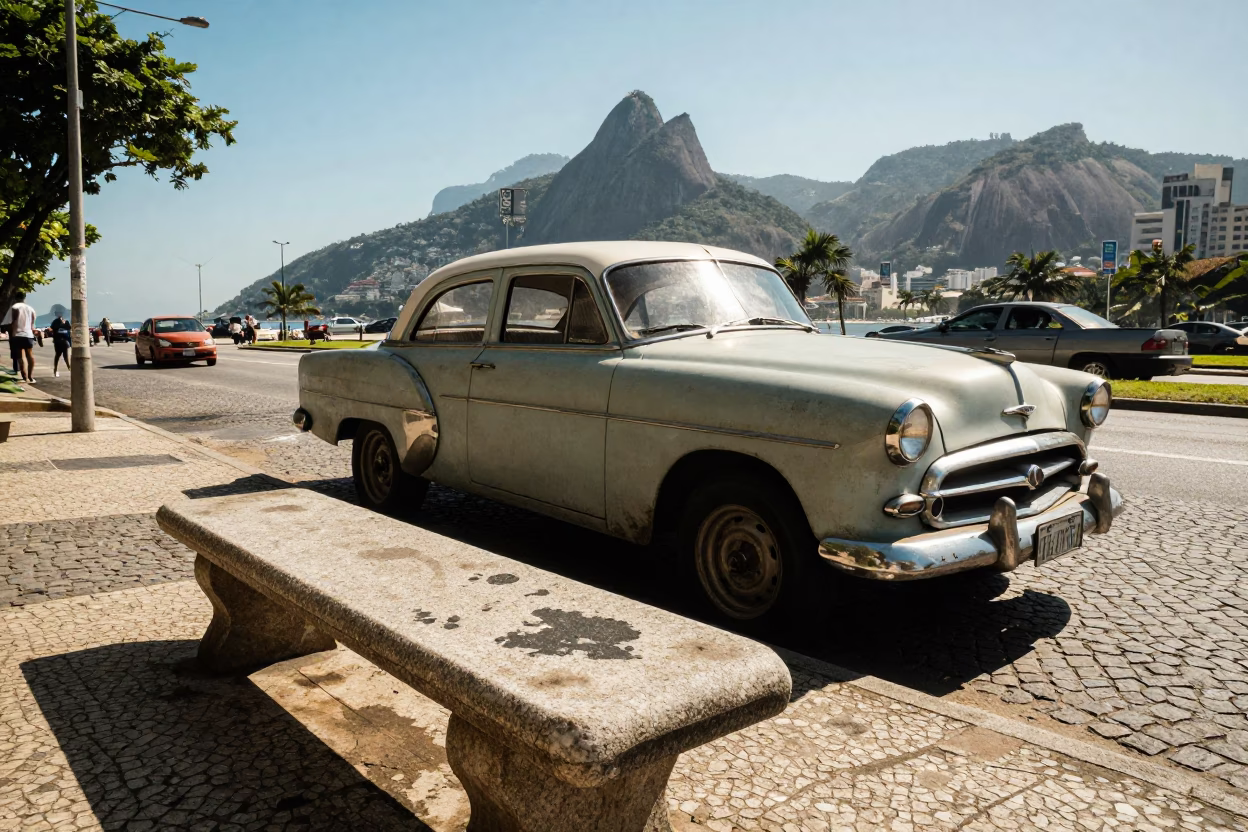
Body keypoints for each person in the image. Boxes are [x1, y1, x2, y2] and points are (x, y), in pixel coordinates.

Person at [1, 291, 38, 383]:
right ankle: (30, 377)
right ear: (24, 298)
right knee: (30, 355)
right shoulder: (31, 309)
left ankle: (24, 376)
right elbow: (32, 324)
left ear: (15, 298)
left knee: (20, 357)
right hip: (29, 335)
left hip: (17, 335)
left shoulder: (14, 308)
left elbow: (8, 322)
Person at [50, 313, 72, 377]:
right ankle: (56, 369)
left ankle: (68, 368)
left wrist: (64, 323)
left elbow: (69, 328)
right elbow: (52, 329)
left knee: (64, 355)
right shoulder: (55, 322)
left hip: (63, 341)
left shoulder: (66, 322)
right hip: (58, 341)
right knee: (58, 355)